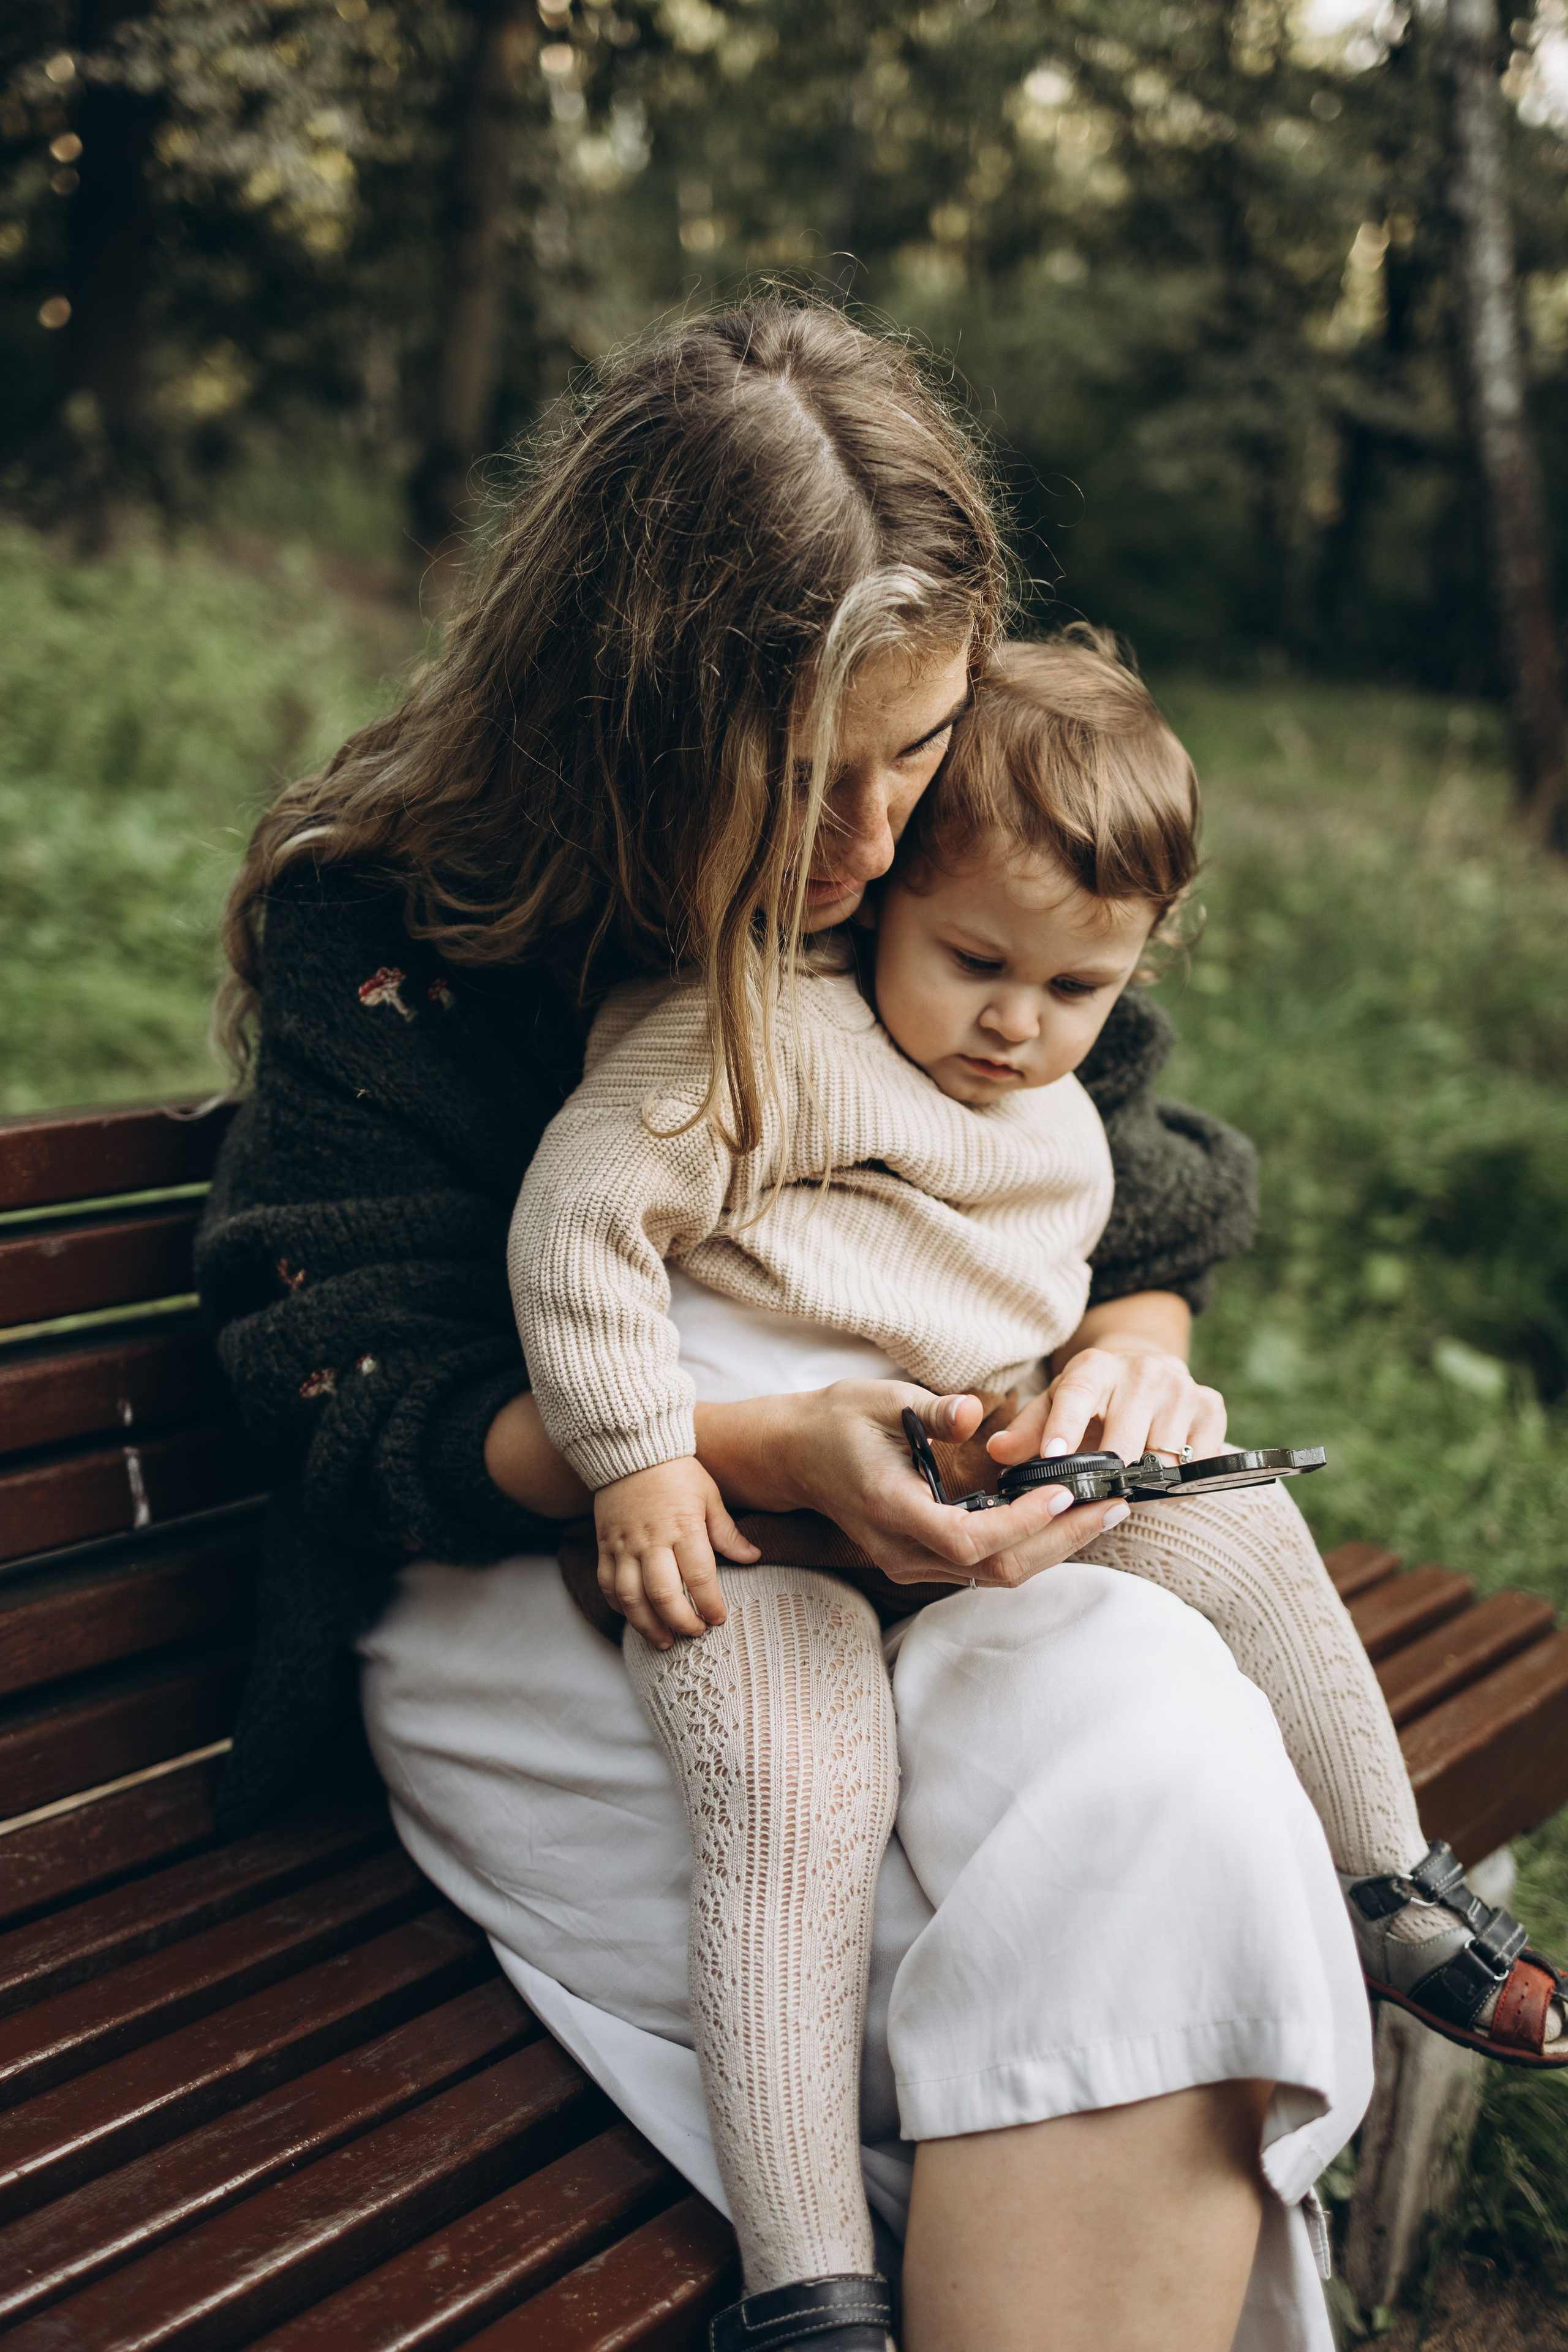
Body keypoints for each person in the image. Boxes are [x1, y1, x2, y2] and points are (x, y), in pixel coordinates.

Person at [200, 300, 1400, 2352]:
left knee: (1174, 1770)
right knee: (971, 1894)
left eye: (912, 756)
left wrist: (1129, 1340)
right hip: (571, 1584)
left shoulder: (923, 852)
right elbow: (341, 1388)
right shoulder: (406, 917)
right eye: (800, 777)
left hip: (915, 1541)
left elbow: (1143, 1156)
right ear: (626, 717)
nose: (868, 845)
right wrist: (737, 1454)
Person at [502, 630, 1567, 2342]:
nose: (1016, 1025)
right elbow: (579, 1229)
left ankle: (1388, 1885)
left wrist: (1078, 1401)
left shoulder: (1058, 1104)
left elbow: (1079, 1263)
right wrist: (640, 1459)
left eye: (1074, 992)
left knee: (1234, 1509)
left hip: (952, 1483)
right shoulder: (760, 1030)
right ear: (881, 895)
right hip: (746, 1513)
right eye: (974, 962)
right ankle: (805, 2281)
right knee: (790, 1809)